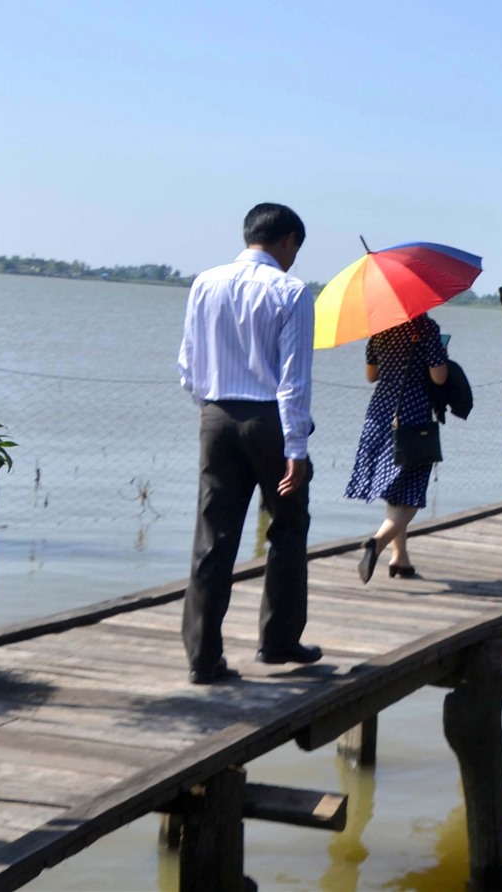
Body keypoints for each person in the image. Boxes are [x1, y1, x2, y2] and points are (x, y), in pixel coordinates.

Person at [176, 203, 319, 685]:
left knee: (212, 536)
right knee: (288, 525)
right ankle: (278, 642)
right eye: (295, 248)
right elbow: (293, 381)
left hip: (215, 416)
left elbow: (188, 363)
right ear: (287, 241)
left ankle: (202, 657)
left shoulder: (205, 282)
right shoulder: (291, 291)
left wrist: (207, 408)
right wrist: (296, 450)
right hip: (269, 422)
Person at [348, 312, 450, 582]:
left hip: (380, 414)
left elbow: (371, 375)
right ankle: (378, 543)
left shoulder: (380, 327)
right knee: (411, 492)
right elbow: (439, 377)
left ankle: (400, 558)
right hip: (413, 415)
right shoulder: (427, 328)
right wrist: (442, 353)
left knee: (396, 490)